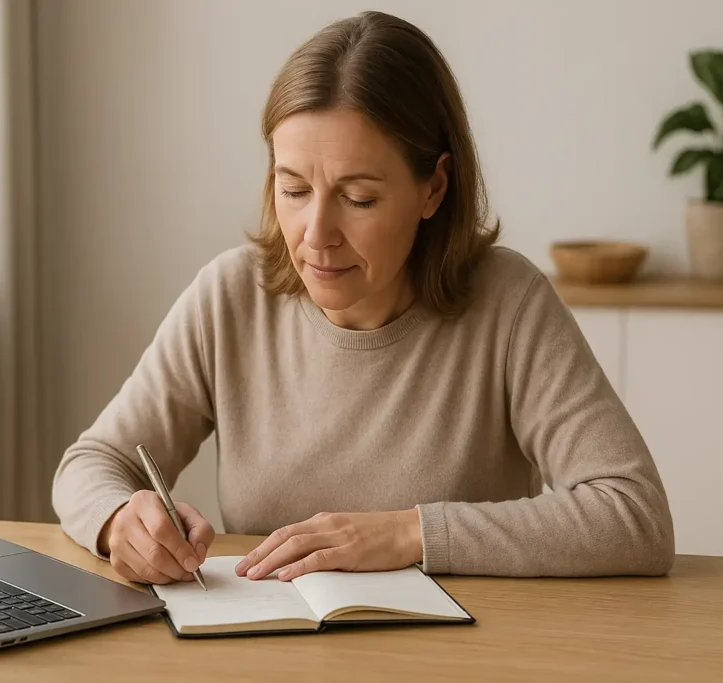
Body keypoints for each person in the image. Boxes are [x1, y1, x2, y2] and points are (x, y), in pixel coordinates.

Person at [51, 10, 674, 586]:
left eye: (359, 198)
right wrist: (118, 521)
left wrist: (410, 532)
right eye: (293, 190)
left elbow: (634, 515)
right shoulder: (231, 296)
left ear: (433, 187)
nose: (316, 235)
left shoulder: (508, 305)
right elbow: (92, 462)